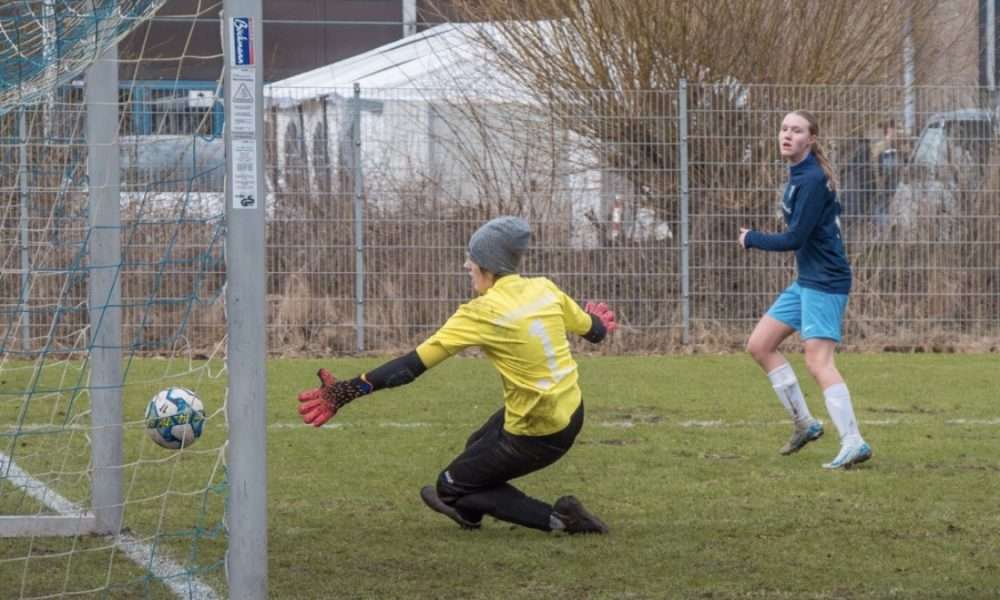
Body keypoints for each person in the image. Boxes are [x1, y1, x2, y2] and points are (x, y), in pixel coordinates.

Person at [297, 216, 617, 533]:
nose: (467, 265)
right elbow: (595, 330)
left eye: (472, 259)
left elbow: (410, 367)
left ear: (488, 265)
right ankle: (470, 510)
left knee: (448, 487)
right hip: (570, 408)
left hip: (539, 429)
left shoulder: (482, 312)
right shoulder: (544, 289)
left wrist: (343, 392)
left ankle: (562, 520)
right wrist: (597, 321)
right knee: (476, 443)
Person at [738, 110, 872, 470]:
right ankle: (805, 423)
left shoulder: (811, 179)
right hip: (808, 280)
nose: (787, 135)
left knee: (818, 361)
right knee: (760, 345)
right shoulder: (800, 175)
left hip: (825, 281)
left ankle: (853, 441)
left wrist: (752, 238)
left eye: (796, 130)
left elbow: (795, 238)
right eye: (783, 129)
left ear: (810, 139)